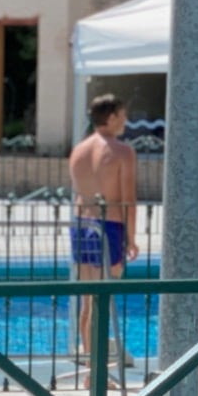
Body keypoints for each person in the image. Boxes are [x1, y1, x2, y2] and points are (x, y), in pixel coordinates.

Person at [67, 94, 139, 359]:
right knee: (103, 301)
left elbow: (78, 195)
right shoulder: (122, 152)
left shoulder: (78, 151)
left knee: (88, 302)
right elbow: (127, 199)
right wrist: (131, 239)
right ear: (111, 118)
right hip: (108, 226)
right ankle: (95, 373)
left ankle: (90, 365)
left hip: (81, 224)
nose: (125, 121)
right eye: (122, 115)